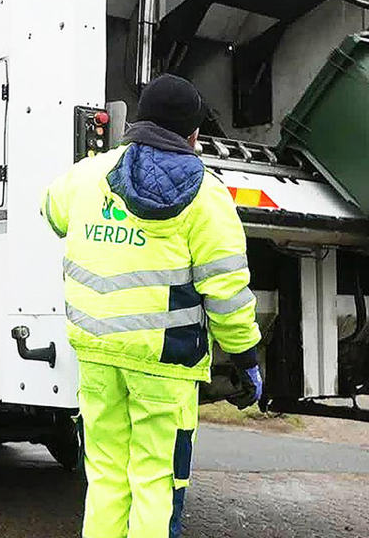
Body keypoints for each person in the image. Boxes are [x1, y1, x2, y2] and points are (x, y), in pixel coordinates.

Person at [40, 74, 263, 538]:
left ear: (139, 121)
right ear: (194, 134)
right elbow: (226, 291)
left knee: (104, 476)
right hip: (165, 363)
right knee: (156, 479)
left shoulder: (89, 174)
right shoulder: (207, 195)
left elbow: (50, 210)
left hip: (97, 351)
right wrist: (244, 357)